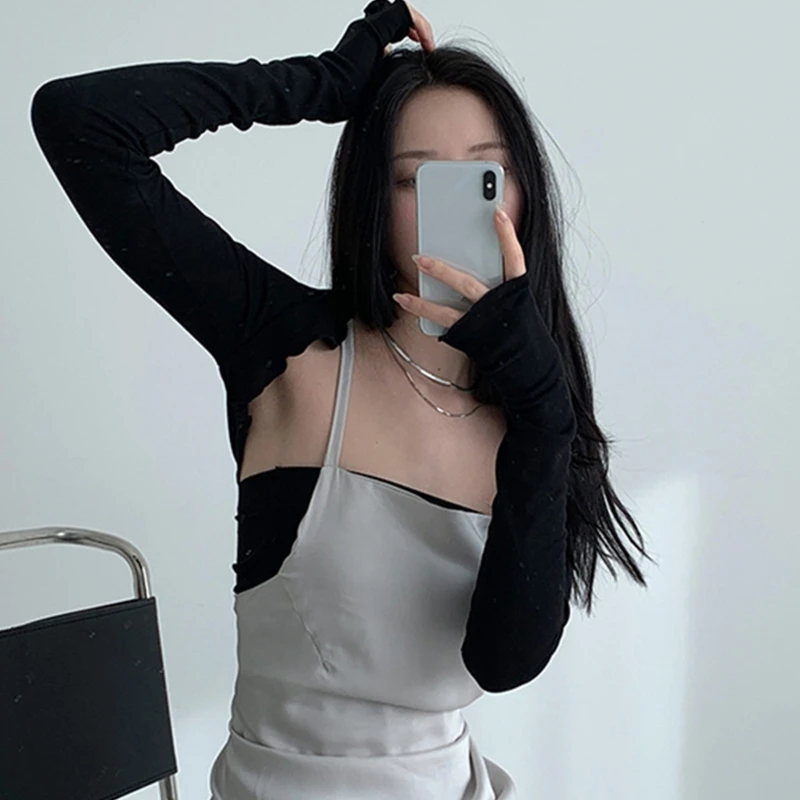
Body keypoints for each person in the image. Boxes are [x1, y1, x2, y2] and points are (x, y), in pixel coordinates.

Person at [30, 1, 652, 797]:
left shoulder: (537, 409)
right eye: (413, 178)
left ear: (524, 195)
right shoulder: (287, 346)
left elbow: (504, 662)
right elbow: (80, 124)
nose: (454, 206)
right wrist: (314, 86)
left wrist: (543, 414)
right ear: (371, 197)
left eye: (484, 177)